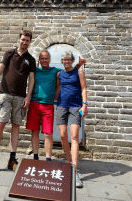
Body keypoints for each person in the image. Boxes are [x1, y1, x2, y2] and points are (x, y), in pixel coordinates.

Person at [0, 30, 36, 177]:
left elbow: (31, 79)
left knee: (16, 126)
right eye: (23, 39)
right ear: (19, 39)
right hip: (5, 95)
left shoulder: (31, 60)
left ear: (30, 42)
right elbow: (0, 71)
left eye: (27, 40)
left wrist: (28, 96)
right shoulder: (9, 53)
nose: (24, 42)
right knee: (0, 124)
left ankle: (12, 160)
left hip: (20, 97)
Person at [26, 50, 85, 162]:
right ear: (39, 60)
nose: (44, 60)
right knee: (34, 132)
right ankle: (35, 157)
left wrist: (79, 65)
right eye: (42, 58)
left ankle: (48, 159)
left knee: (48, 133)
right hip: (34, 103)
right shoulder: (35, 70)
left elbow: (69, 71)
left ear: (50, 59)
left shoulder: (55, 71)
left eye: (46, 58)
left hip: (48, 105)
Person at [55, 51, 87, 188]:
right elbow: (58, 88)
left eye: (68, 59)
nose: (66, 61)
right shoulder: (59, 74)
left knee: (74, 136)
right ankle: (68, 162)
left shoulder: (79, 71)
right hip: (61, 105)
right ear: (62, 61)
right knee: (63, 135)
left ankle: (74, 170)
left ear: (72, 61)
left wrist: (84, 105)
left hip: (75, 106)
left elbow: (84, 88)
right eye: (64, 59)